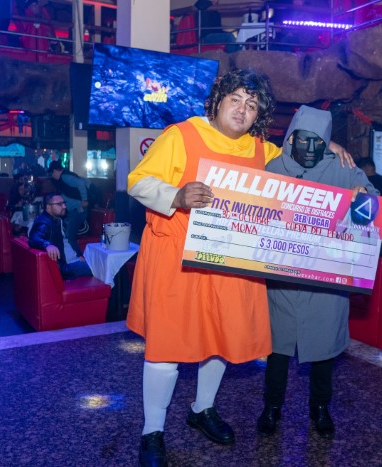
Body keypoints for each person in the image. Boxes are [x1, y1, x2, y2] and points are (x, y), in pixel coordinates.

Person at [126, 69, 354, 467]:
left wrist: (325, 140)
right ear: (217, 101)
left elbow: (297, 159)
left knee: (220, 339)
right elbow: (138, 181)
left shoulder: (261, 150)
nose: (242, 110)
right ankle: (153, 431)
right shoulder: (181, 135)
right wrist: (176, 195)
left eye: (251, 105)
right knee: (167, 347)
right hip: (178, 261)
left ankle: (202, 409)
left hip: (230, 263)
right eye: (235, 100)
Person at [257, 106, 375, 440]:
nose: (310, 149)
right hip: (283, 282)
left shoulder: (342, 167)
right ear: (291, 139)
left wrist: (363, 197)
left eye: (318, 143)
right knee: (278, 350)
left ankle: (320, 407)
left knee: (324, 351)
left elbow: (373, 204)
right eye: (304, 141)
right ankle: (271, 407)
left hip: (325, 284)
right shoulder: (273, 169)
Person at [28, 192, 93, 279]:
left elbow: (65, 242)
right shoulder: (44, 222)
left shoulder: (56, 219)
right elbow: (34, 238)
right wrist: (48, 245)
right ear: (48, 206)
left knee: (95, 263)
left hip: (66, 262)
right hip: (63, 269)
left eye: (64, 203)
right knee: (97, 267)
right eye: (59, 204)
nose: (64, 206)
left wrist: (77, 256)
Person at [47, 160, 89, 249]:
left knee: (69, 237)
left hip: (78, 210)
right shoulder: (62, 179)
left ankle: (77, 255)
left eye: (52, 173)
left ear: (55, 171)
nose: (52, 176)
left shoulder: (65, 176)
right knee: (67, 235)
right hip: (74, 211)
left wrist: (84, 199)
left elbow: (80, 183)